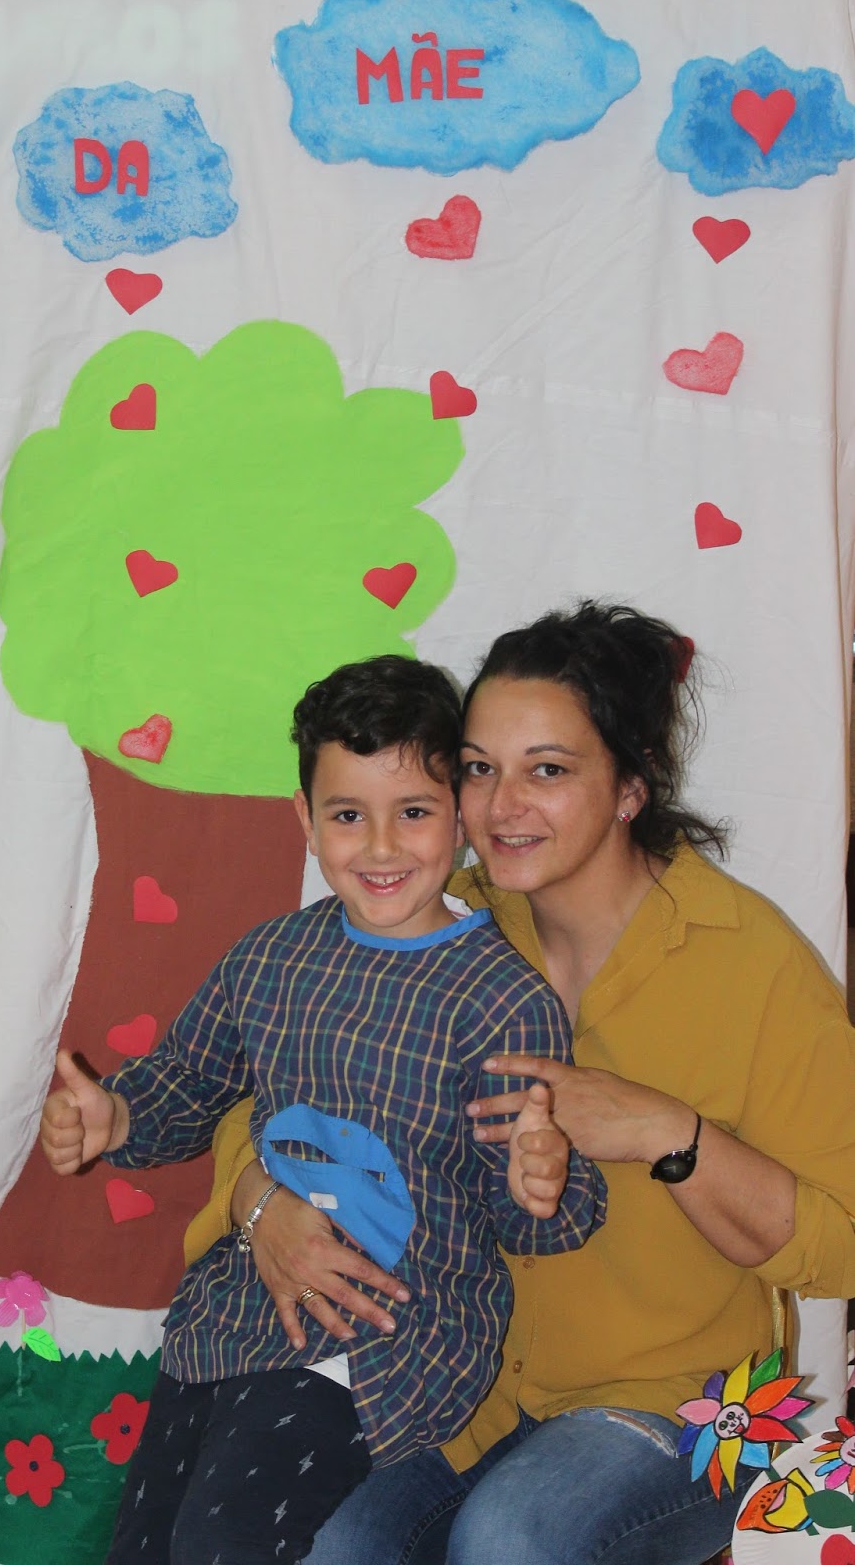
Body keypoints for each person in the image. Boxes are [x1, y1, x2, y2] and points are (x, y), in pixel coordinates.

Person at [188, 602, 855, 1565]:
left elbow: (843, 1242)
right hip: (461, 1382)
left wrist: (669, 1135)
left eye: (547, 770)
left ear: (630, 785)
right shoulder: (439, 923)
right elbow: (265, 1092)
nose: (501, 806)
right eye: (477, 768)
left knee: (508, 1539)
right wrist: (260, 1201)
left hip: (695, 1411)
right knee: (327, 1541)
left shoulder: (752, 961)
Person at [40, 653, 605, 1565]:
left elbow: (536, 1222)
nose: (380, 848)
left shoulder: (501, 999)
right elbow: (187, 1080)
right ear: (305, 820)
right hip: (235, 1314)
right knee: (142, 1544)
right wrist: (116, 1118)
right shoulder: (269, 957)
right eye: (347, 815)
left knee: (223, 1541)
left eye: (412, 812)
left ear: (460, 817)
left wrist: (539, 1177)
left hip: (382, 1338)